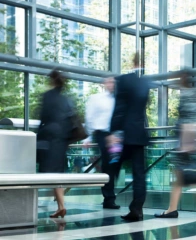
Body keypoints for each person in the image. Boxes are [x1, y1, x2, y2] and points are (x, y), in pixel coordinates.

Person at [155, 69, 196, 219]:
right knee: (182, 178)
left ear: (185, 78)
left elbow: (192, 120)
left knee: (186, 179)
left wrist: (186, 144)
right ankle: (172, 209)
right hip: (184, 141)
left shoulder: (191, 94)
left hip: (185, 142)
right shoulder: (190, 93)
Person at [109, 53, 151, 221]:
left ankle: (108, 196)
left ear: (132, 62)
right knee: (139, 173)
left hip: (124, 134)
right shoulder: (145, 83)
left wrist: (113, 132)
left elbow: (119, 109)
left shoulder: (124, 80)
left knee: (112, 165)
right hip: (139, 134)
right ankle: (137, 209)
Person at [37, 69, 74, 218]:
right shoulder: (66, 99)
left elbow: (42, 117)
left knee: (51, 175)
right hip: (62, 141)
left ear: (52, 81)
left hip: (49, 140)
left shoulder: (47, 97)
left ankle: (61, 205)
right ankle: (60, 206)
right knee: (57, 174)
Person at [83, 76, 120, 209]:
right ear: (104, 83)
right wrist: (88, 137)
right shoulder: (96, 98)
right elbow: (90, 117)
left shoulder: (117, 99)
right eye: (109, 82)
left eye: (113, 82)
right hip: (102, 135)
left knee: (115, 164)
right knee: (108, 165)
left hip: (116, 136)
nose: (111, 84)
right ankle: (109, 198)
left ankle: (110, 196)